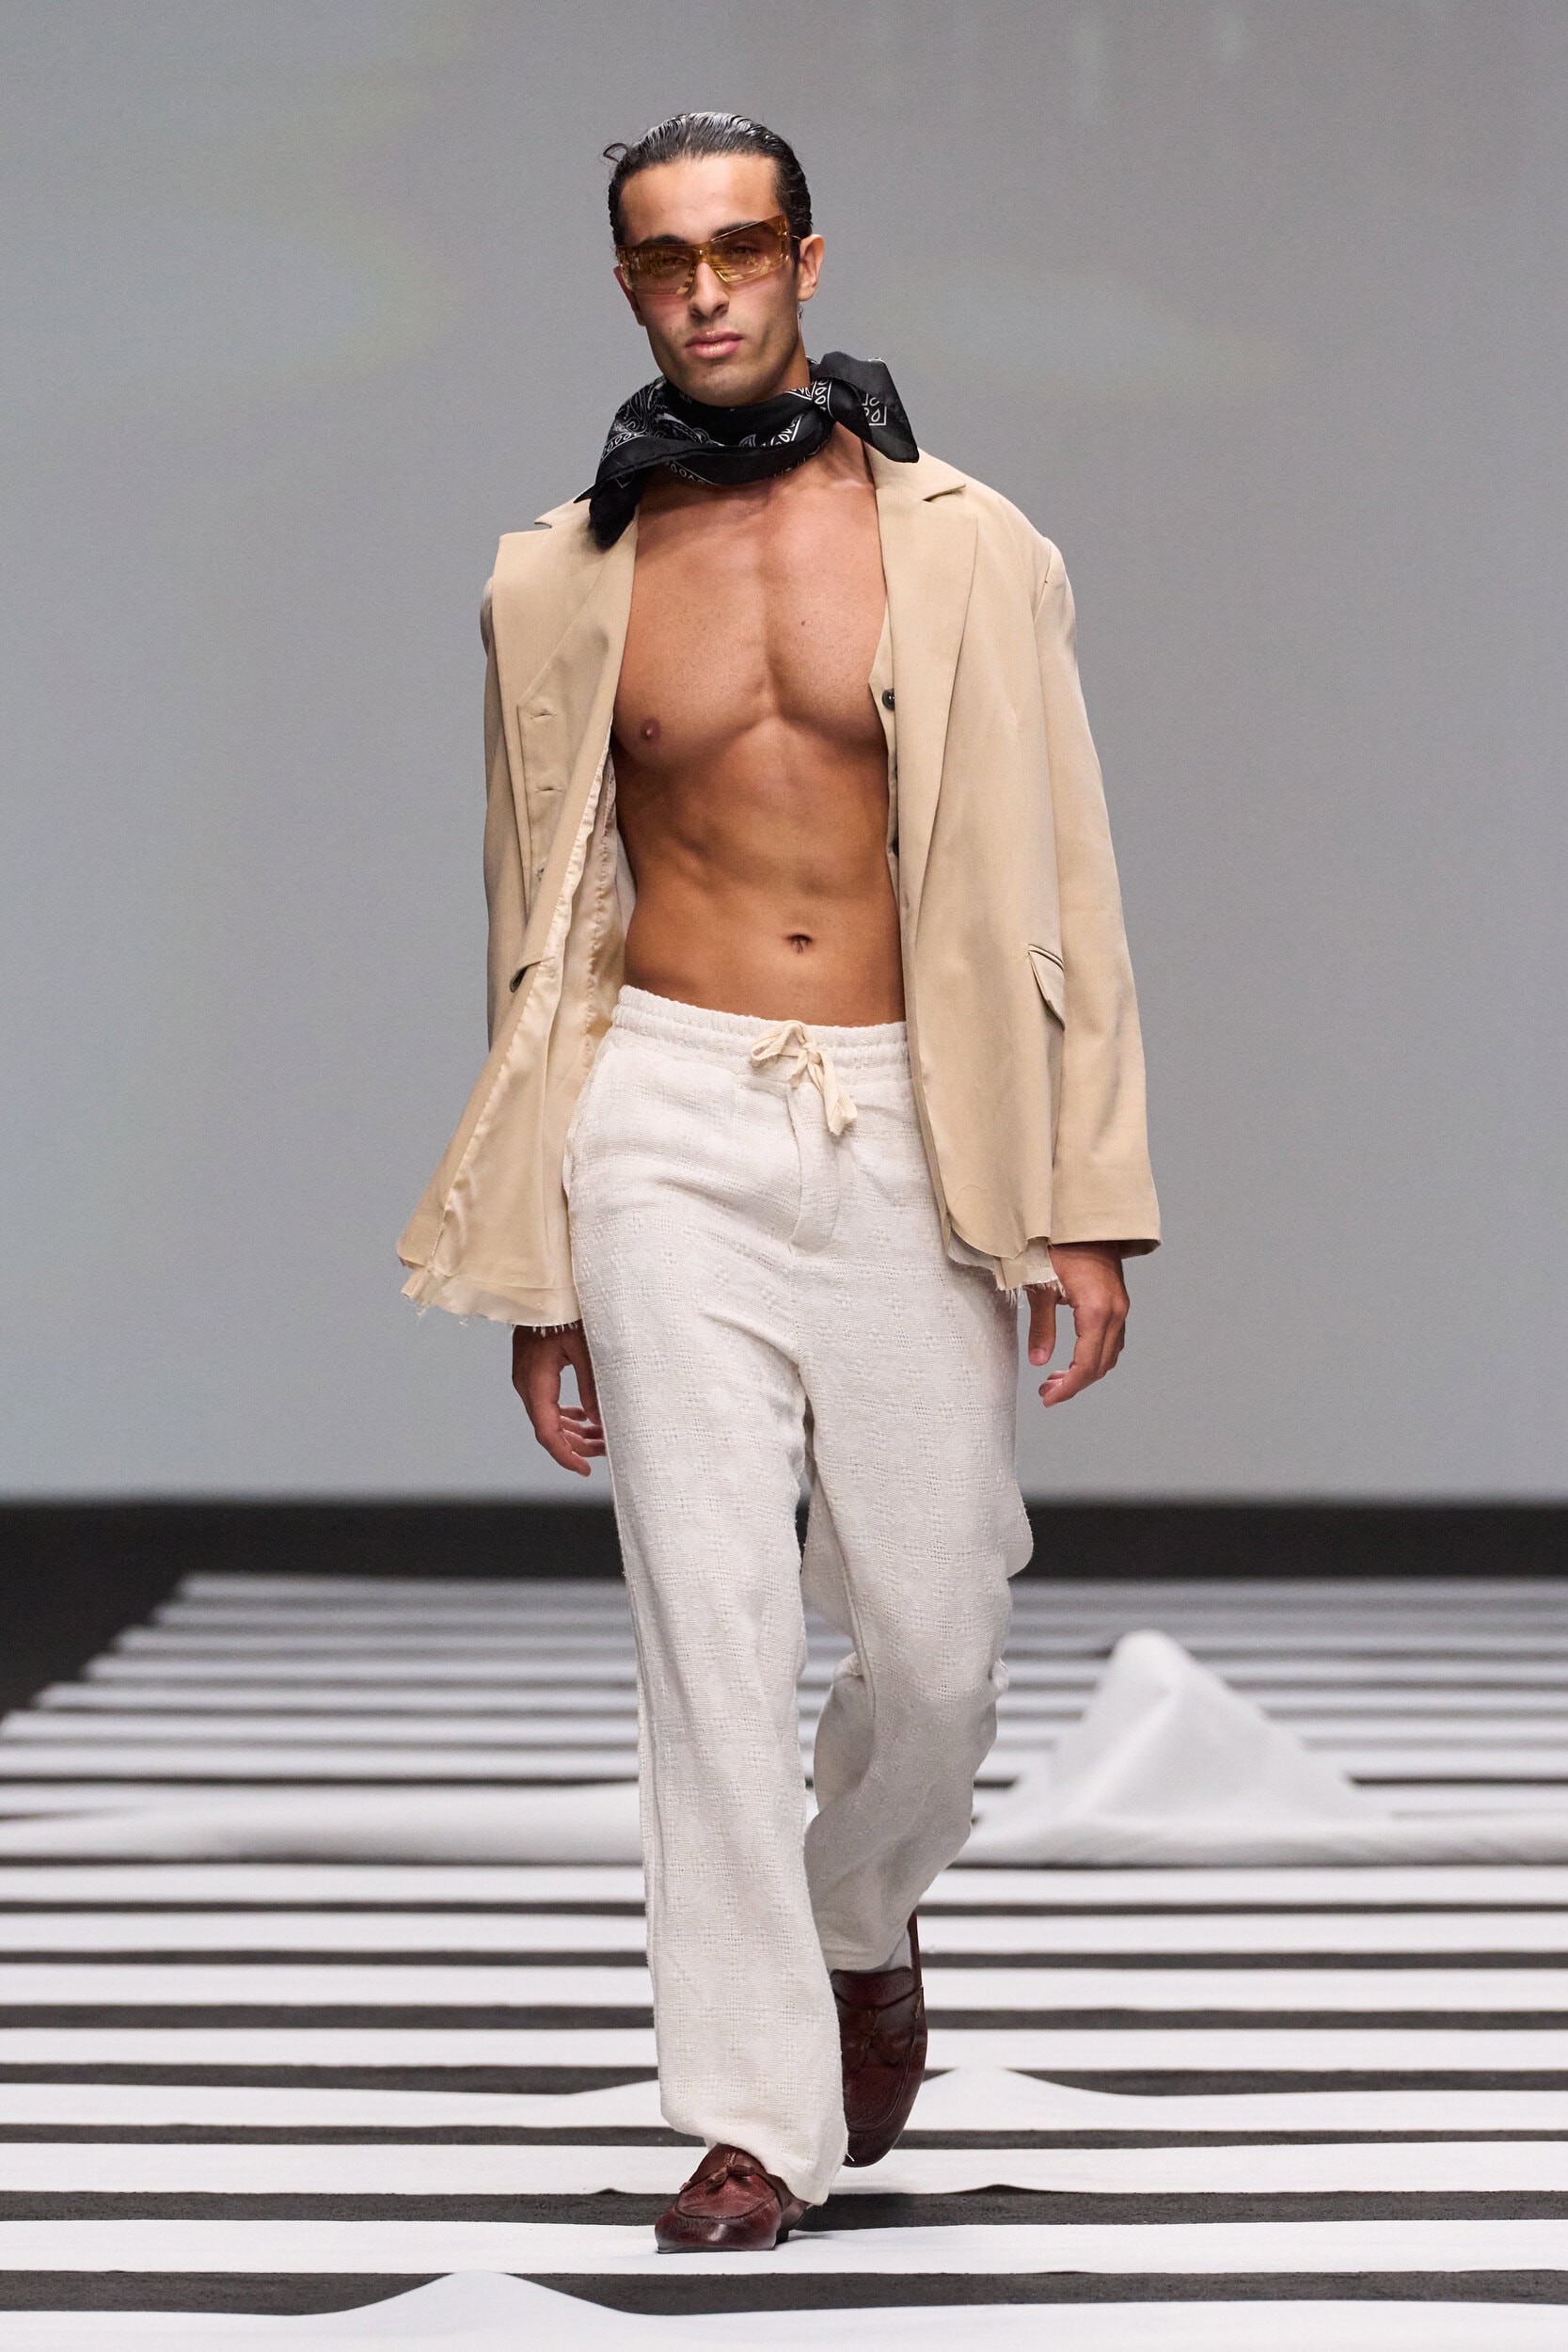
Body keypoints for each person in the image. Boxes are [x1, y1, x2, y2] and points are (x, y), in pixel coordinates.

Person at [399, 110, 1159, 2251]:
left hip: (918, 1112)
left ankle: (859, 1912)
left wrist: (1088, 1191)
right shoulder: (554, 579)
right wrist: (541, 1256)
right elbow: (533, 929)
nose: (710, 289)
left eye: (743, 248)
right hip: (662, 1107)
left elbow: (1068, 880)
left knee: (941, 1628)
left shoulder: (972, 546)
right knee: (708, 1633)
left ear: (808, 260)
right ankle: (749, 2107)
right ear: (627, 285)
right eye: (669, 260)